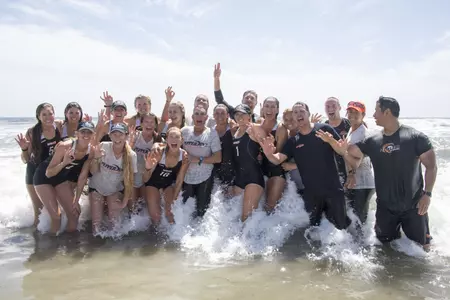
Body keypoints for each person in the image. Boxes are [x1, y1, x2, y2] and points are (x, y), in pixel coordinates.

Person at [325, 97, 437, 250]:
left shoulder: (415, 137)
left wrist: (427, 194)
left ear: (387, 112)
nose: (374, 115)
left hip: (413, 206)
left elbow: (431, 167)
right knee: (383, 250)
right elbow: (350, 153)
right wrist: (334, 143)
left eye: (376, 111)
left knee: (422, 251)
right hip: (385, 209)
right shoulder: (373, 141)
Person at [260, 102, 351, 230]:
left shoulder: (324, 129)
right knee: (315, 231)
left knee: (341, 229)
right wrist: (269, 154)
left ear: (308, 113)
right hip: (311, 194)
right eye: (295, 112)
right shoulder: (293, 141)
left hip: (333, 190)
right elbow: (277, 160)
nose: (298, 114)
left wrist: (330, 140)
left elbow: (341, 151)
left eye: (302, 111)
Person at [33, 121, 95, 234]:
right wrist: (64, 163)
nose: (86, 135)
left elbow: (82, 177)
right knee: (56, 217)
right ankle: (51, 246)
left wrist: (76, 200)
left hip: (60, 178)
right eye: (83, 132)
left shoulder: (91, 151)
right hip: (43, 177)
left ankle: (69, 243)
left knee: (75, 213)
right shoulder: (65, 146)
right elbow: (48, 173)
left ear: (93, 135)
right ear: (77, 133)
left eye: (89, 132)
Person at [15, 103, 62, 227]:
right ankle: (36, 241)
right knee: (39, 210)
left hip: (53, 172)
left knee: (56, 208)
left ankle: (56, 232)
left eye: (50, 114)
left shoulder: (59, 126)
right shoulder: (32, 132)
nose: (48, 117)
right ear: (38, 116)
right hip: (34, 173)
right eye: (44, 114)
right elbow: (25, 160)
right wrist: (24, 149)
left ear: (54, 114)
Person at [88, 123, 138, 235]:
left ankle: (112, 249)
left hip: (114, 190)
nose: (117, 137)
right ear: (110, 136)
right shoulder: (103, 146)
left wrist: (124, 203)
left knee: (114, 225)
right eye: (114, 134)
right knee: (96, 225)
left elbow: (130, 182)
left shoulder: (131, 155)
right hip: (96, 187)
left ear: (126, 136)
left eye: (120, 134)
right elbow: (92, 171)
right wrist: (96, 159)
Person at [181, 105, 222, 218]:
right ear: (193, 117)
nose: (199, 117)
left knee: (201, 212)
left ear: (206, 118)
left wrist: (197, 159)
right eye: (197, 114)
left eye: (202, 114)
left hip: (205, 177)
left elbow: (218, 158)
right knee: (184, 210)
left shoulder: (212, 133)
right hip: (186, 177)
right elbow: (171, 145)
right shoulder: (184, 131)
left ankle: (199, 235)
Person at [143, 127, 188, 225]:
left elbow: (179, 180)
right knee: (156, 216)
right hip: (152, 183)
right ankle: (153, 237)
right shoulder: (159, 152)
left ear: (182, 140)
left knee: (170, 212)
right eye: (171, 137)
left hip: (167, 185)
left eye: (177, 137)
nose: (174, 139)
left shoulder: (183, 156)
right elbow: (145, 179)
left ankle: (172, 236)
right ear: (166, 140)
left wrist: (173, 201)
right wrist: (148, 167)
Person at [342, 101, 375, 226]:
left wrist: (342, 150)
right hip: (355, 183)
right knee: (354, 219)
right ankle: (359, 244)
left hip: (363, 184)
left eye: (356, 112)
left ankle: (366, 245)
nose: (352, 115)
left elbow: (357, 162)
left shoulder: (363, 133)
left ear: (363, 115)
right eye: (350, 112)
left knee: (359, 221)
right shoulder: (352, 129)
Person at [232, 104, 265, 222]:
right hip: (239, 179)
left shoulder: (255, 129)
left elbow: (269, 147)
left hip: (253, 178)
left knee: (246, 218)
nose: (239, 117)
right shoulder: (235, 131)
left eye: (242, 114)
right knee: (235, 217)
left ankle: (250, 241)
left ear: (249, 116)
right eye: (237, 114)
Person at [259, 97, 288, 213]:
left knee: (270, 210)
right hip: (260, 170)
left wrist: (271, 148)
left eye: (272, 107)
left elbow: (278, 156)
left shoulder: (281, 129)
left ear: (277, 110)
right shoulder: (258, 124)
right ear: (262, 108)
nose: (269, 109)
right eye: (267, 106)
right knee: (257, 209)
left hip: (276, 171)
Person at [129, 113, 162, 210]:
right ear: (141, 124)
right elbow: (125, 155)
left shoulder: (159, 139)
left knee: (143, 208)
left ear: (155, 125)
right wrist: (131, 142)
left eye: (152, 122)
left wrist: (158, 145)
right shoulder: (134, 136)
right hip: (133, 177)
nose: (149, 124)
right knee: (133, 209)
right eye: (146, 122)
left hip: (147, 179)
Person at [324, 97, 351, 186]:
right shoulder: (323, 127)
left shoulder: (349, 124)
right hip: (332, 171)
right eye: (327, 106)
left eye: (333, 106)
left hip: (350, 167)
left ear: (339, 107)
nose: (330, 108)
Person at [212, 104, 236, 190]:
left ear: (228, 115)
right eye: (217, 113)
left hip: (232, 170)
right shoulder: (210, 132)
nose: (219, 116)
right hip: (215, 170)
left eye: (222, 113)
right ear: (213, 116)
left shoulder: (234, 129)